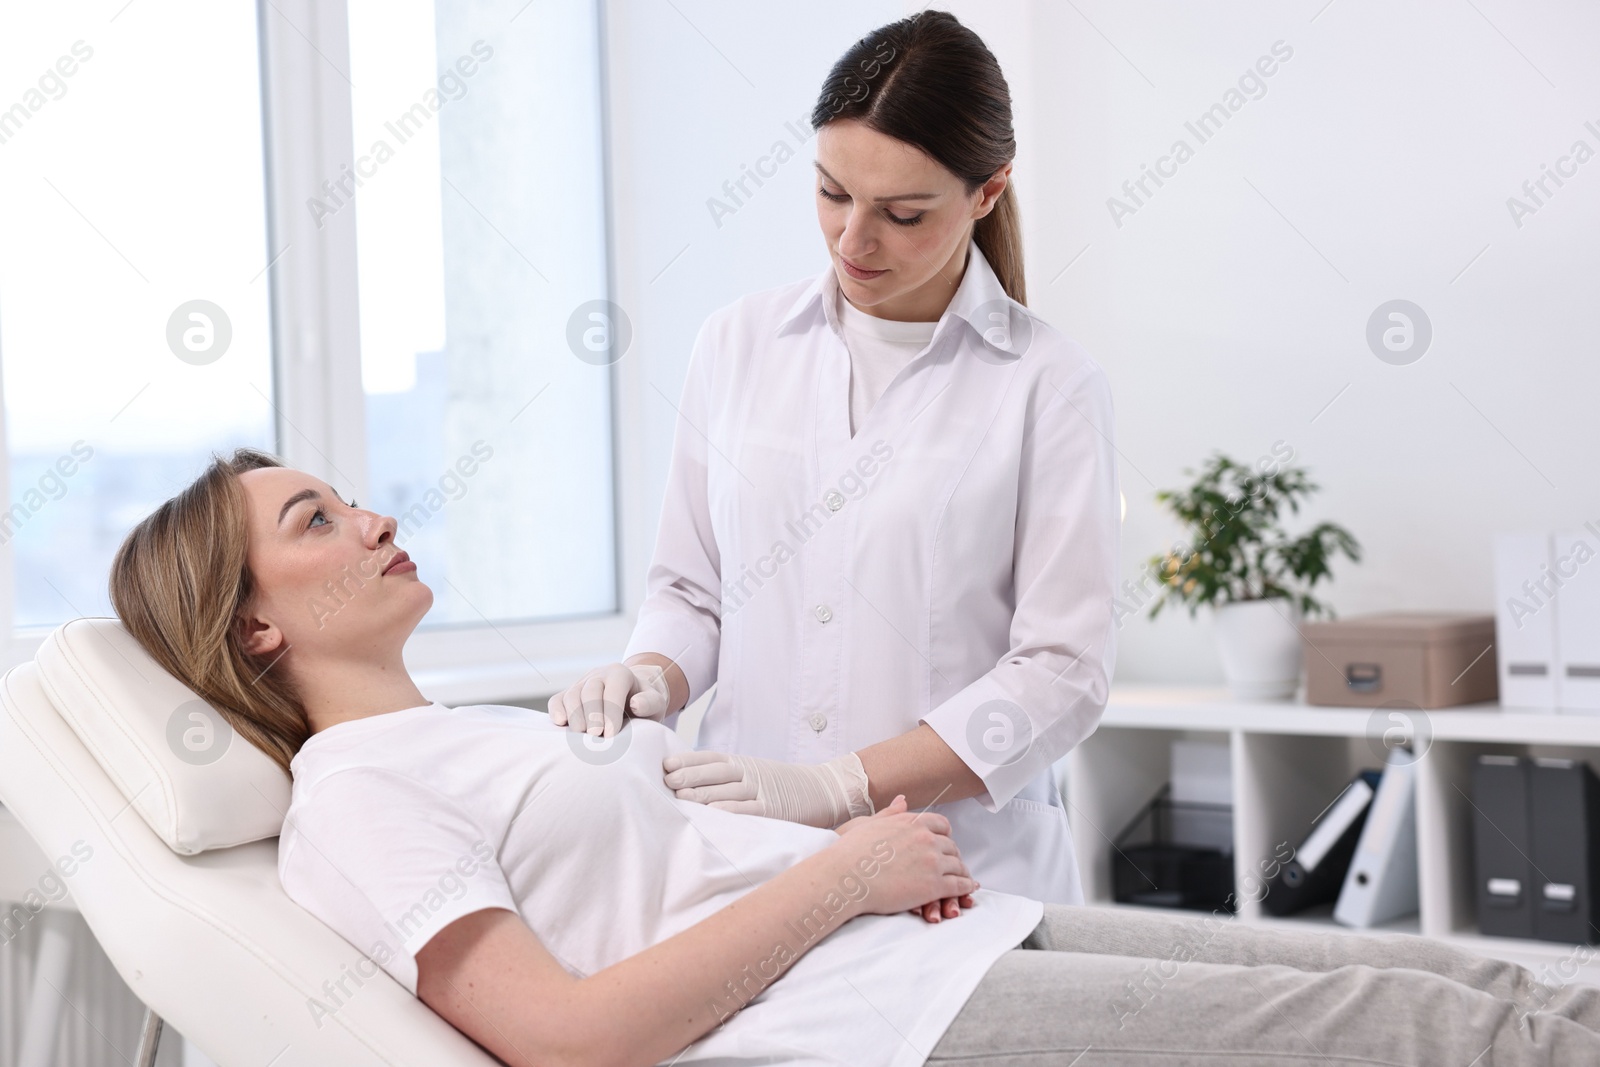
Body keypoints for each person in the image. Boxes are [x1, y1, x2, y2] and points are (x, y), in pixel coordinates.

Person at [108, 450, 1600, 1067]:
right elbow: (565, 1037)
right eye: (314, 521)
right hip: (868, 1016)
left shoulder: (467, 731)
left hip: (921, 945)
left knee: (1479, 987)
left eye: (345, 495)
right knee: (1412, 1016)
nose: (369, 517)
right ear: (249, 631)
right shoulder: (358, 794)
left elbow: (653, 872)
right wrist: (843, 870)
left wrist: (682, 753)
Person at [551, 9, 1117, 912]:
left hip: (960, 879)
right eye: (831, 193)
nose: (854, 241)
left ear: (986, 191)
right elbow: (694, 592)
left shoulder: (1048, 385)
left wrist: (842, 784)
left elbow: (1061, 672)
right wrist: (649, 676)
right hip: (747, 863)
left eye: (902, 213)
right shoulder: (737, 344)